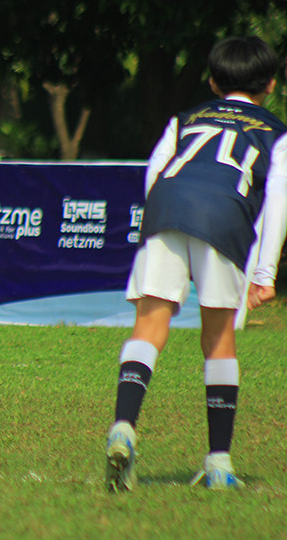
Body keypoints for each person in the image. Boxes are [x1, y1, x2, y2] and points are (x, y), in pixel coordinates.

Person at [105, 36, 287, 492]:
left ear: (211, 81)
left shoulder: (185, 119)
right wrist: (264, 274)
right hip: (224, 215)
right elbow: (278, 202)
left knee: (148, 329)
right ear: (271, 84)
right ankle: (220, 464)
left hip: (165, 208)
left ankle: (123, 425)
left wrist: (165, 230)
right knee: (219, 339)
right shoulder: (276, 133)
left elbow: (155, 174)